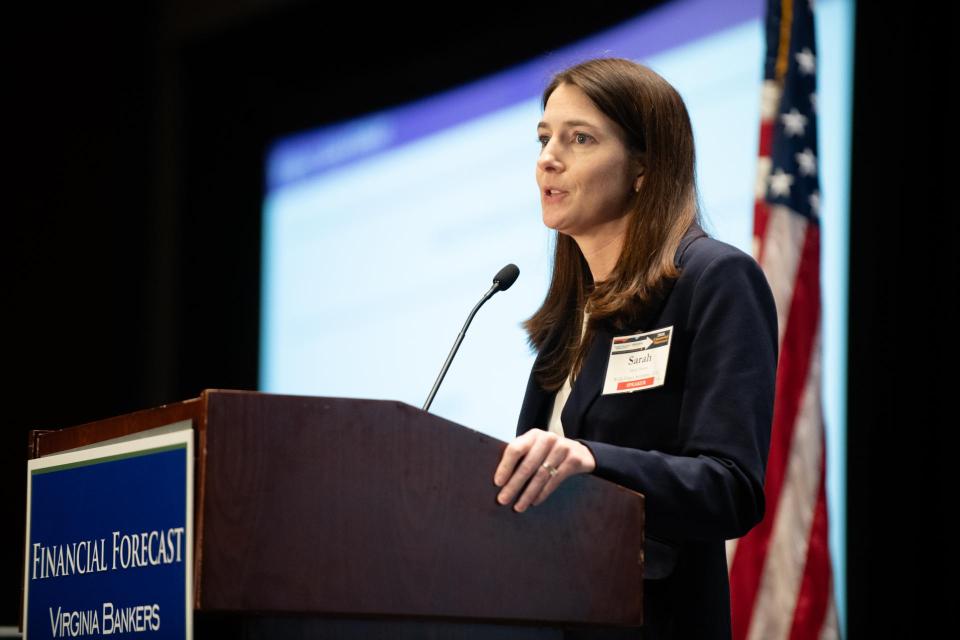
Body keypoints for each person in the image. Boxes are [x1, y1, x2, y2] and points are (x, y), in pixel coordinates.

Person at [491, 57, 778, 638]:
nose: (548, 158)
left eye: (579, 138)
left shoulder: (714, 280)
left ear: (643, 167)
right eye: (544, 138)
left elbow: (730, 488)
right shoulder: (570, 315)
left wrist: (594, 460)